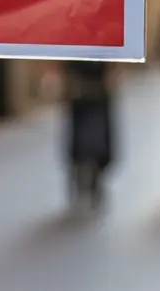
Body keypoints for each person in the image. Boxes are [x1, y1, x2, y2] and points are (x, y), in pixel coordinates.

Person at [62, 59, 117, 209]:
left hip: (96, 95)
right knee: (83, 142)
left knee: (96, 142)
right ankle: (82, 183)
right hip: (82, 96)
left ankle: (93, 182)